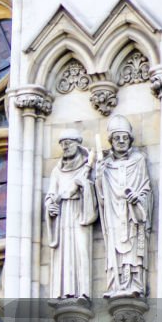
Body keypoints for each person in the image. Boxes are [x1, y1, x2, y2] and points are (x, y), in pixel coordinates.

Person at [95, 115, 152, 298]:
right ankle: (116, 284)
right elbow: (101, 196)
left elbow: (146, 188)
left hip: (132, 215)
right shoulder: (106, 165)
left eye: (124, 137)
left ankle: (134, 283)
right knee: (115, 247)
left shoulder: (138, 160)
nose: (121, 141)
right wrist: (98, 175)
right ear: (111, 141)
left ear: (130, 140)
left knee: (134, 248)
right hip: (113, 214)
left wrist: (138, 199)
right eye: (117, 138)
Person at [45, 128, 97, 301]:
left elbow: (93, 189)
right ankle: (62, 292)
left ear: (77, 144)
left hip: (79, 211)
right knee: (63, 254)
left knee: (81, 249)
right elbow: (51, 195)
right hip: (62, 215)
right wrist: (50, 206)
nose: (65, 147)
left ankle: (83, 292)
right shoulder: (57, 171)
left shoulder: (86, 166)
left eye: (68, 143)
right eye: (62, 144)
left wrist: (85, 186)